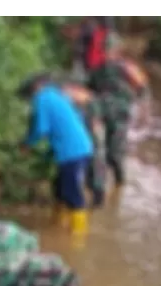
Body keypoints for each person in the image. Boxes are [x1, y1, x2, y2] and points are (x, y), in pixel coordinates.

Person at [19, 74, 96, 233]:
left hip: (72, 152)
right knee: (60, 189)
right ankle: (57, 226)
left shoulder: (42, 98)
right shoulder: (58, 96)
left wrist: (27, 144)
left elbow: (41, 129)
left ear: (35, 88)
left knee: (72, 192)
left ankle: (77, 238)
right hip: (80, 148)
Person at [86, 39, 150, 198]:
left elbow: (143, 89)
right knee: (99, 151)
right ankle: (102, 187)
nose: (107, 55)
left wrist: (144, 112)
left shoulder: (127, 69)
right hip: (102, 114)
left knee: (114, 154)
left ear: (117, 52)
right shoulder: (97, 70)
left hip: (120, 116)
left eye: (110, 51)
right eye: (105, 51)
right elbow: (88, 92)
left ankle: (120, 183)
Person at [58, 74, 110, 211]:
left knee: (95, 173)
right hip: (80, 143)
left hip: (92, 141)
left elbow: (96, 126)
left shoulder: (92, 102)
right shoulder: (72, 101)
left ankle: (97, 200)